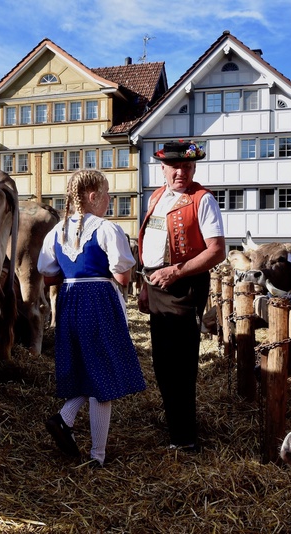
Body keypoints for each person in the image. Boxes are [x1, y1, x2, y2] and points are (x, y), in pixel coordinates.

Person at [38, 169, 146, 467]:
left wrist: (73, 271)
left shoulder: (56, 232)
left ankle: (65, 418)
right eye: (107, 194)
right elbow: (123, 277)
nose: (109, 199)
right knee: (104, 375)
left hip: (69, 301)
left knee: (88, 368)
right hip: (99, 301)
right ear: (93, 196)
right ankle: (97, 455)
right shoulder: (107, 229)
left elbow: (48, 277)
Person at [137, 140, 225, 452]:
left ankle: (185, 439)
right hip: (156, 284)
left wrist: (176, 271)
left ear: (194, 168)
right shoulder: (156, 196)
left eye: (187, 167)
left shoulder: (203, 199)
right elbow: (151, 245)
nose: (181, 173)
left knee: (180, 362)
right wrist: (145, 286)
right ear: (162, 168)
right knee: (162, 362)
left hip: (183, 286)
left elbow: (217, 251)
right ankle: (175, 429)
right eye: (174, 167)